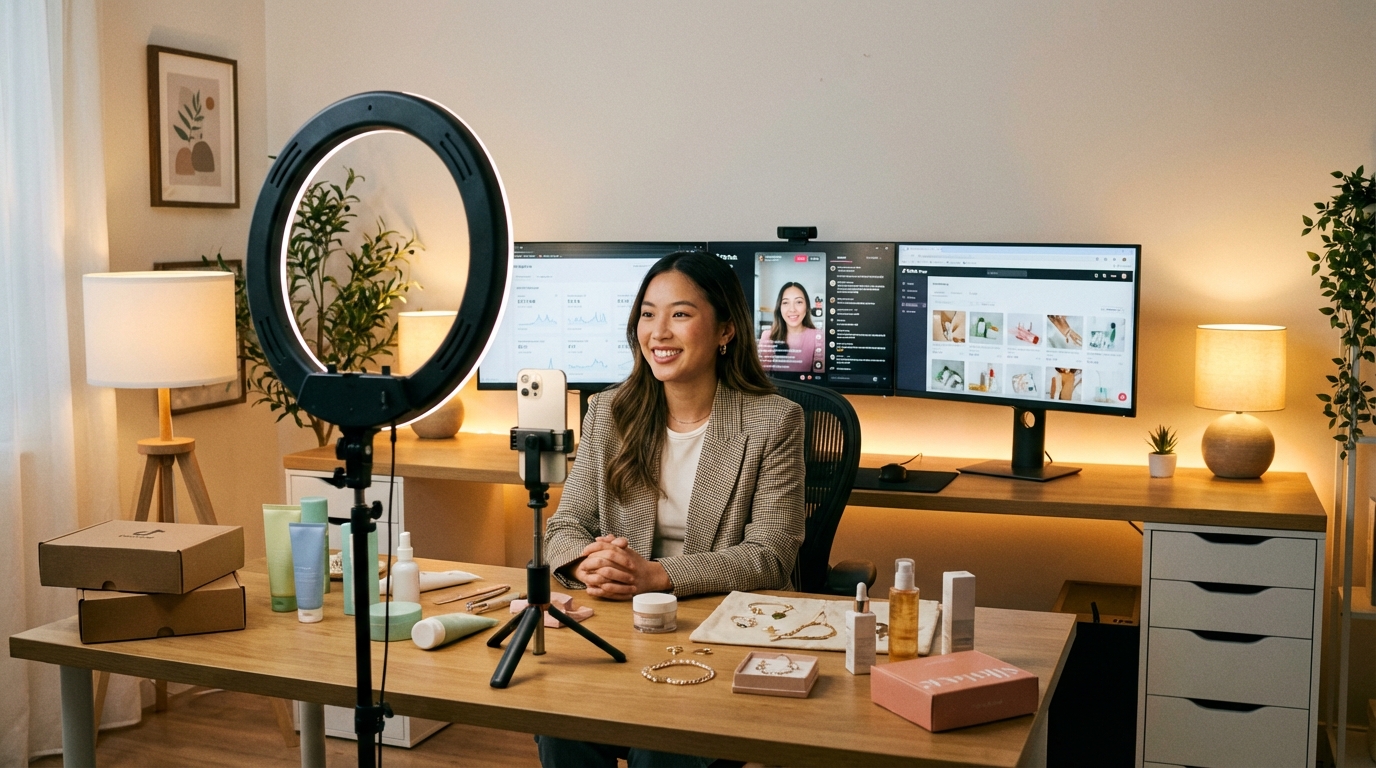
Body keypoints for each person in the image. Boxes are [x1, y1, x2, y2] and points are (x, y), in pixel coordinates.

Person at [537, 251, 806, 768]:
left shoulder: (775, 422)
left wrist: (657, 575)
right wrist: (583, 562)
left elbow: (770, 556)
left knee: (662, 748)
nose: (658, 331)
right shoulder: (608, 412)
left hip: (720, 629)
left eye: (680, 314)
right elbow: (566, 527)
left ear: (725, 329)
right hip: (623, 626)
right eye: (647, 313)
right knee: (560, 726)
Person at [758, 282, 825, 373]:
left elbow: (819, 376)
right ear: (779, 308)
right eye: (785, 303)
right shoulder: (768, 336)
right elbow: (763, 376)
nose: (792, 309)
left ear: (807, 306)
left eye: (798, 302)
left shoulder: (817, 336)